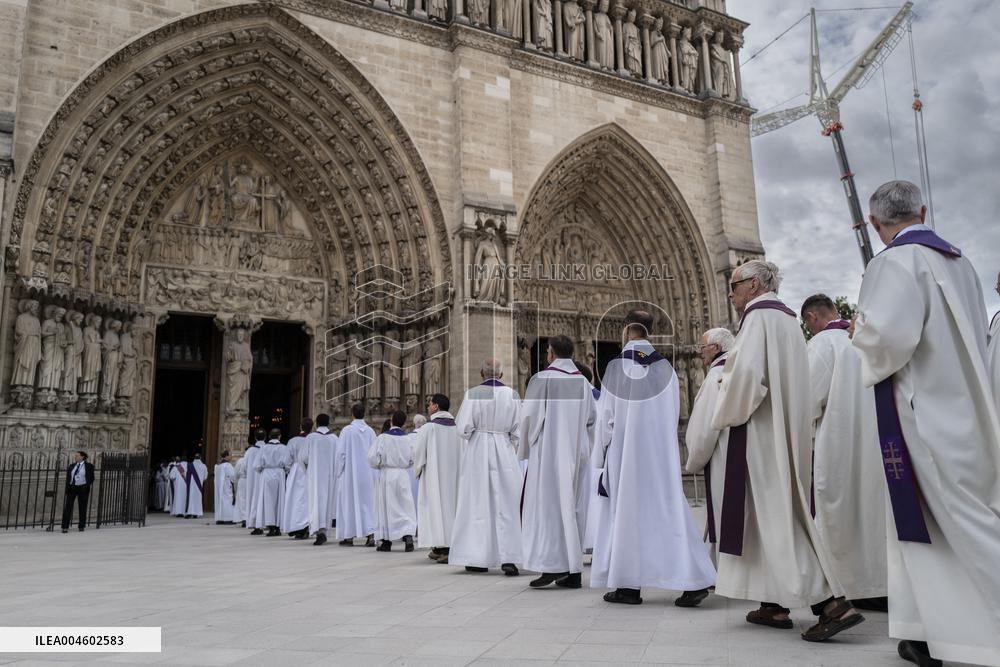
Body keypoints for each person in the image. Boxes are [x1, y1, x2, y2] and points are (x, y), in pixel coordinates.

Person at [852, 180, 1000, 667]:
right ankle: (928, 631)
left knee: (961, 524)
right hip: (966, 409)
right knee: (930, 527)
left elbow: (889, 339)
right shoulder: (963, 263)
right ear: (922, 209)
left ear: (875, 225)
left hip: (924, 414)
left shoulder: (893, 262)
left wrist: (861, 331)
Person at [710, 259, 863, 642]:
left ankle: (830, 604)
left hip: (762, 434)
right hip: (784, 431)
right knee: (768, 519)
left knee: (778, 520)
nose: (730, 292)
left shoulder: (758, 319)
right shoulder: (785, 319)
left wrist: (722, 408)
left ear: (756, 286)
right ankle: (774, 603)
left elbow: (745, 378)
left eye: (735, 284)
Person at [591, 311, 716, 606]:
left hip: (627, 454)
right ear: (649, 332)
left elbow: (606, 418)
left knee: (625, 515)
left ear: (626, 331)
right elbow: (674, 412)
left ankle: (628, 586)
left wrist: (600, 457)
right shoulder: (667, 369)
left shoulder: (616, 367)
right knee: (668, 509)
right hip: (659, 454)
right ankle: (694, 579)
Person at [801, 294, 887, 610]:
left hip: (838, 445)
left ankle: (846, 587)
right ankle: (881, 586)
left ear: (812, 318)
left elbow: (808, 399)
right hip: (878, 441)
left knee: (838, 515)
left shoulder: (822, 345)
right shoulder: (863, 340)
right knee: (873, 513)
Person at [518, 335, 595, 589]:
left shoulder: (542, 379)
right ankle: (572, 570)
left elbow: (528, 417)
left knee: (548, 508)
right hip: (576, 452)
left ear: (550, 353)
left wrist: (526, 448)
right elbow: (592, 420)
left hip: (549, 454)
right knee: (572, 509)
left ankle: (551, 565)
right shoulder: (582, 382)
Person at [450, 359, 522, 576]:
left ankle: (478, 558)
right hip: (504, 450)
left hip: (478, 451)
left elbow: (462, 428)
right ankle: (509, 557)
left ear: (482, 373)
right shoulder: (512, 395)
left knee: (478, 503)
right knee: (507, 503)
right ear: (500, 375)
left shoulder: (473, 393)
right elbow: (518, 430)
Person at [684, 327, 735, 566]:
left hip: (722, 455)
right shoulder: (738, 369)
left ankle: (725, 568)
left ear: (716, 348)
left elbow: (705, 428)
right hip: (739, 453)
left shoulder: (715, 376)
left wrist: (693, 459)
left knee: (725, 511)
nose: (699, 352)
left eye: (702, 346)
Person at [412, 394, 461, 563]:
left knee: (435, 509)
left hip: (434, 475)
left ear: (436, 407)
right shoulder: (457, 427)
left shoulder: (428, 428)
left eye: (430, 404)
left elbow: (418, 452)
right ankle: (441, 546)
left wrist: (418, 469)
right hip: (455, 477)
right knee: (451, 508)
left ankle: (445, 547)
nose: (428, 407)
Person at [367, 410, 417, 552]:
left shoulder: (383, 438)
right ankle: (408, 536)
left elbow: (372, 458)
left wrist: (380, 465)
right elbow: (412, 458)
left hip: (387, 473)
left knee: (387, 507)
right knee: (405, 505)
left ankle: (386, 541)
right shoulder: (408, 439)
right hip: (402, 474)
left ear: (391, 421)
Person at [337, 403, 377, 546]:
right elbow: (374, 454)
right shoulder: (371, 432)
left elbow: (340, 454)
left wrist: (338, 472)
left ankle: (349, 536)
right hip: (368, 474)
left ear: (352, 413)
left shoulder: (347, 431)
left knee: (349, 504)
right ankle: (371, 534)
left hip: (350, 474)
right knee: (368, 504)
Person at [303, 413, 338, 546]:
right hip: (329, 477)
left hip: (315, 476)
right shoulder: (334, 438)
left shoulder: (311, 438)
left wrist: (309, 470)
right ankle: (324, 529)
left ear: (316, 423)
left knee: (316, 502)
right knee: (327, 502)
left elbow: (303, 458)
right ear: (328, 423)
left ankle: (318, 531)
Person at [254, 429, 290, 536]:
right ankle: (278, 527)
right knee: (279, 500)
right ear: (279, 436)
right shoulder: (284, 448)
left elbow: (256, 465)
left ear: (269, 436)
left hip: (267, 473)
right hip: (279, 473)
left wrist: (263, 470)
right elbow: (288, 464)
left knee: (267, 500)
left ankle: (271, 527)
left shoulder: (264, 448)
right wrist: (285, 471)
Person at [282, 418, 313, 539]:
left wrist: (288, 469)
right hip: (310, 470)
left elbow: (286, 460)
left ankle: (296, 526)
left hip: (296, 471)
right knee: (307, 499)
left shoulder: (293, 441)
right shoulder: (313, 439)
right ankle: (306, 525)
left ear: (301, 426)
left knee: (295, 500)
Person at [61, 451, 94, 533]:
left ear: (82, 457)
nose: (75, 457)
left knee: (82, 507)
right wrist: (67, 488)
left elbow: (91, 478)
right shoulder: (72, 466)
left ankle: (81, 526)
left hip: (82, 488)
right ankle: (65, 526)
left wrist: (86, 485)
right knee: (68, 507)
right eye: (75, 456)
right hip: (72, 488)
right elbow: (69, 478)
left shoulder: (89, 466)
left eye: (77, 456)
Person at [244, 430, 266, 535]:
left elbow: (244, 467)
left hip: (252, 479)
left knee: (253, 499)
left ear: (255, 438)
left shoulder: (250, 451)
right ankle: (266, 522)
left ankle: (253, 522)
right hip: (265, 478)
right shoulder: (267, 448)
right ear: (265, 437)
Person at [407, 414, 427, 510]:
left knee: (412, 494)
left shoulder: (408, 437)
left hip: (411, 470)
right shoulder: (427, 436)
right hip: (425, 469)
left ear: (414, 423)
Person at [214, 451, 237, 524]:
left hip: (219, 487)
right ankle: (228, 518)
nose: (231, 457)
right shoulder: (228, 465)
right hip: (227, 487)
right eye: (230, 455)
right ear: (226, 456)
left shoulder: (218, 466)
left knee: (220, 502)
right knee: (228, 501)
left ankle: (220, 518)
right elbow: (233, 476)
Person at [185, 453, 208, 519]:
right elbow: (205, 477)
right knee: (197, 499)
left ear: (194, 458)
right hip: (199, 485)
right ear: (200, 458)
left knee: (191, 498)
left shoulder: (190, 465)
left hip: (191, 486)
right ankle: (197, 513)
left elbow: (187, 475)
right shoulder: (203, 466)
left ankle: (190, 512)